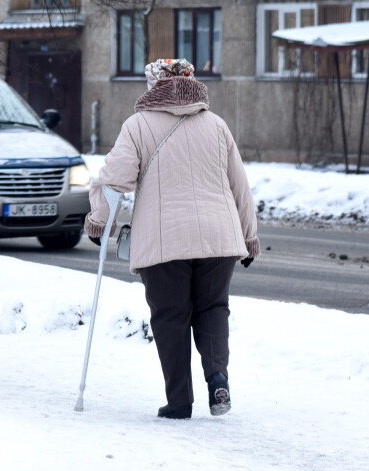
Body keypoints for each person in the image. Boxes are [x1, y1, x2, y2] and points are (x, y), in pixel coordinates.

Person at [84, 59, 260, 419]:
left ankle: (180, 401)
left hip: (164, 243)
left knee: (171, 316)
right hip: (219, 237)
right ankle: (218, 378)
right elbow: (239, 185)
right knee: (213, 309)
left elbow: (115, 182)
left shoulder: (138, 126)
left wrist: (99, 223)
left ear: (152, 86)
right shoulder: (216, 125)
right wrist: (249, 235)